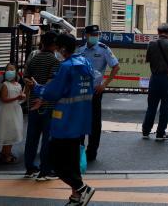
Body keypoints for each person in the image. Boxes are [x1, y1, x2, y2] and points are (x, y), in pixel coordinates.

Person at [26, 33, 97, 206]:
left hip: (64, 121)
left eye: (58, 48)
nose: (56, 51)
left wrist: (37, 87)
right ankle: (76, 197)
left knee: (55, 161)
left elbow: (53, 92)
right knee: (72, 161)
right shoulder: (85, 63)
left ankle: (81, 188)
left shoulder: (66, 67)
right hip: (80, 120)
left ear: (63, 49)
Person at [79, 24, 119, 162]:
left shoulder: (103, 49)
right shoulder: (80, 49)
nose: (95, 37)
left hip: (95, 90)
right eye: (93, 35)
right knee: (80, 119)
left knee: (94, 123)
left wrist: (104, 84)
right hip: (80, 90)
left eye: (97, 35)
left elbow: (116, 66)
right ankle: (79, 149)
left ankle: (92, 152)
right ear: (86, 35)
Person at [23, 32, 60, 180]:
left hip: (33, 103)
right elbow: (51, 83)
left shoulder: (34, 58)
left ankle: (29, 168)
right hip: (48, 105)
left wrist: (34, 89)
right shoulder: (55, 61)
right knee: (47, 138)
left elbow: (26, 78)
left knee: (32, 137)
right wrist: (43, 97)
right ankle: (46, 170)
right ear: (55, 45)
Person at [142, 24, 168, 141]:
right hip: (167, 79)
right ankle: (160, 133)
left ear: (158, 32)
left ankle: (146, 131)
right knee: (165, 107)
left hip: (154, 78)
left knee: (151, 106)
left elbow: (148, 60)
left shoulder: (151, 44)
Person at [0, 63, 25, 164]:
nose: (10, 71)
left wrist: (23, 96)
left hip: (16, 111)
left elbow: (20, 100)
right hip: (7, 111)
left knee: (13, 131)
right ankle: (5, 154)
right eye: (8, 70)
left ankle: (5, 153)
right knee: (8, 132)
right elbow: (4, 99)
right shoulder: (5, 85)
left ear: (16, 72)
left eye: (12, 69)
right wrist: (17, 98)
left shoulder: (18, 85)